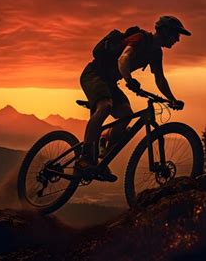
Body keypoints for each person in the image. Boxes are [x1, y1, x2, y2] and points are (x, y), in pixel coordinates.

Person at [75, 15, 192, 182]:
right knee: (106, 106)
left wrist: (172, 99)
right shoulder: (140, 39)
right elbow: (124, 59)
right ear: (165, 31)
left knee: (126, 115)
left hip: (109, 82)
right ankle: (84, 158)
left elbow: (160, 78)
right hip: (94, 75)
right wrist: (129, 79)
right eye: (175, 34)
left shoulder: (155, 53)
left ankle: (103, 146)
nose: (178, 39)